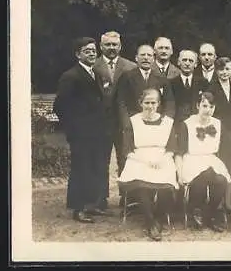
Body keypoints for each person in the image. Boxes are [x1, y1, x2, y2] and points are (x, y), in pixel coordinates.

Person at [53, 37, 112, 223]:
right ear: (78, 54)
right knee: (80, 169)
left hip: (97, 132)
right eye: (87, 51)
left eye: (94, 50)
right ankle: (78, 209)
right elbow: (60, 106)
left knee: (94, 168)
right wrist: (74, 129)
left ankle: (91, 205)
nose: (92, 54)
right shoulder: (71, 76)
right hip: (81, 134)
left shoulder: (95, 73)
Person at [117, 88, 178, 241]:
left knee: (166, 182)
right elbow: (127, 150)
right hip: (138, 158)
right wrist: (145, 161)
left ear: (158, 104)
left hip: (162, 157)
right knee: (141, 183)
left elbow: (171, 148)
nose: (150, 106)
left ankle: (158, 217)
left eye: (153, 103)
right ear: (140, 103)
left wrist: (161, 159)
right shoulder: (133, 121)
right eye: (147, 103)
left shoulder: (167, 122)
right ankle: (150, 222)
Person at [115, 44, 176, 175]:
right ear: (136, 58)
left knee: (156, 158)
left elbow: (169, 102)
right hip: (132, 124)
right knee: (127, 157)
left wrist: (165, 120)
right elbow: (121, 101)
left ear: (154, 59)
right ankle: (127, 191)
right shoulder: (127, 77)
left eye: (149, 55)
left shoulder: (161, 78)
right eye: (143, 55)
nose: (146, 58)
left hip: (155, 123)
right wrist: (127, 123)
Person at [175, 92, 231, 232]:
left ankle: (210, 213)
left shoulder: (217, 124)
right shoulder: (187, 124)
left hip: (211, 159)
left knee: (221, 180)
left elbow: (226, 147)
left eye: (211, 106)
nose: (208, 110)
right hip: (192, 159)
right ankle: (195, 208)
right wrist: (180, 173)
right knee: (203, 176)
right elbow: (180, 152)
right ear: (197, 106)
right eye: (204, 105)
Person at [93, 31, 136, 209]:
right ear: (101, 47)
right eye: (108, 45)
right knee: (100, 160)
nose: (111, 48)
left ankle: (127, 197)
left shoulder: (130, 67)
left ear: (120, 46)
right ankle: (99, 198)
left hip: (123, 122)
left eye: (115, 45)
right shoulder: (93, 66)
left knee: (126, 159)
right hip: (100, 122)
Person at [207, 57, 231, 212]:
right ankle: (219, 200)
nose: (224, 73)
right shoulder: (211, 89)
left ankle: (230, 201)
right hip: (218, 133)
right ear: (216, 71)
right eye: (221, 70)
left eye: (227, 69)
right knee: (221, 166)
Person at [169, 50, 210, 123]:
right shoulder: (170, 83)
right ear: (178, 62)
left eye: (191, 61)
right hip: (176, 124)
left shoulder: (203, 83)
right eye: (184, 60)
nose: (187, 63)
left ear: (195, 64)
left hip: (197, 123)